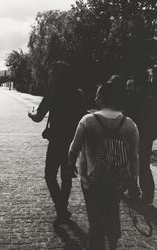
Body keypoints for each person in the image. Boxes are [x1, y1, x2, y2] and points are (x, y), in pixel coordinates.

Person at [68, 75, 139, 250]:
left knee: (95, 218)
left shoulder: (88, 121)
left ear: (104, 97)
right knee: (113, 210)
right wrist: (133, 180)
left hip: (91, 180)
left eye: (98, 94)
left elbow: (73, 149)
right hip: (117, 180)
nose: (95, 97)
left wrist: (71, 166)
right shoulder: (130, 124)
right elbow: (134, 156)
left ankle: (96, 245)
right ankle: (113, 243)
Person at [28, 61, 86, 224]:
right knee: (66, 177)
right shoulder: (78, 93)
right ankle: (62, 206)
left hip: (56, 140)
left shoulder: (52, 93)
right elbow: (82, 118)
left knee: (49, 175)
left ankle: (60, 208)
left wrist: (30, 113)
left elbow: (38, 117)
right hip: (72, 141)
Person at [124, 74, 155, 206]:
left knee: (141, 165)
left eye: (130, 86)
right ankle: (136, 191)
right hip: (139, 137)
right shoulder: (138, 100)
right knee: (134, 164)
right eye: (127, 86)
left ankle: (145, 194)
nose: (127, 89)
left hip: (142, 137)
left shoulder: (143, 101)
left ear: (138, 87)